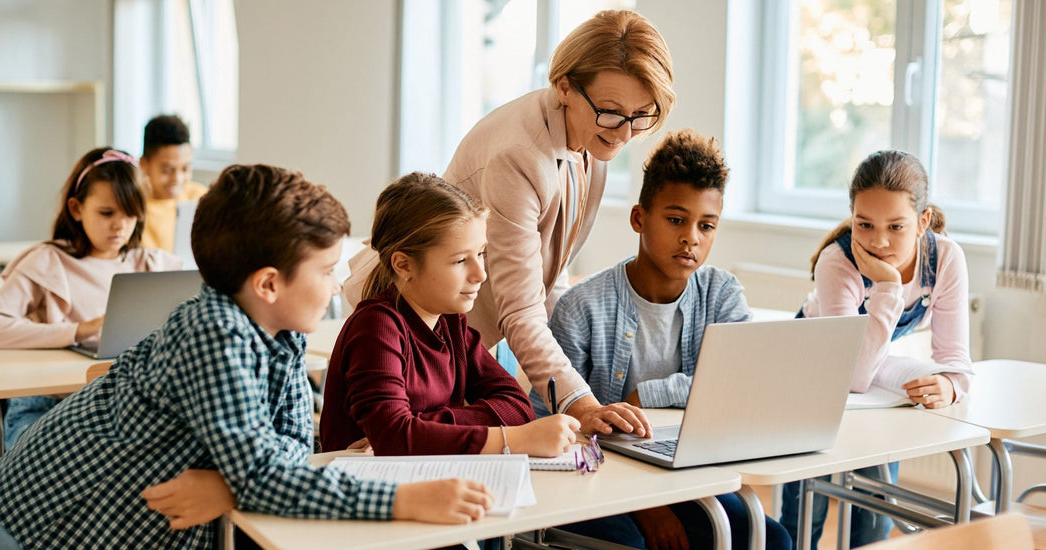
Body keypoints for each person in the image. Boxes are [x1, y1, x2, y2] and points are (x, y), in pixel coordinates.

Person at [0, 165, 495, 550]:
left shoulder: (282, 332)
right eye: (325, 269)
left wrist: (234, 486)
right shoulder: (215, 333)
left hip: (129, 520)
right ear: (268, 283)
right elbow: (268, 475)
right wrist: (407, 500)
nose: (338, 284)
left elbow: (289, 452)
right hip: (47, 522)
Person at [344, 10, 675, 438]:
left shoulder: (594, 139)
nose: (625, 132)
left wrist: (581, 389)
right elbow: (521, 307)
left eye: (641, 115)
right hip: (409, 327)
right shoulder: (520, 154)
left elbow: (548, 281)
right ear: (565, 87)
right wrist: (580, 401)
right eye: (612, 112)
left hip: (459, 335)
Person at [547, 129, 793, 550]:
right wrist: (648, 506)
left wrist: (649, 394)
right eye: (676, 219)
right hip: (599, 483)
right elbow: (554, 433)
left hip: (690, 478)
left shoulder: (722, 294)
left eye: (706, 225)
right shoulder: (580, 309)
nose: (691, 238)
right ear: (640, 218)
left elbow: (741, 385)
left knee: (772, 538)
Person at [779, 150, 972, 549]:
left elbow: (956, 358)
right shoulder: (837, 263)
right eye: (864, 224)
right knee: (805, 516)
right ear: (851, 214)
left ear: (922, 221)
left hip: (868, 368)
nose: (879, 241)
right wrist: (886, 286)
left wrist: (951, 386)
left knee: (873, 518)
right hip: (813, 367)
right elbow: (851, 375)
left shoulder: (946, 259)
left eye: (896, 226)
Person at [320, 172, 580, 457]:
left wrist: (420, 430)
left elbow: (517, 406)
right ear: (403, 265)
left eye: (481, 253)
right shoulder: (377, 327)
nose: (480, 274)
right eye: (460, 260)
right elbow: (394, 437)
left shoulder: (450, 322)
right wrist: (512, 439)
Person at [0, 146, 182, 448]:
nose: (120, 225)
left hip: (122, 406)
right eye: (107, 213)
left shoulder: (154, 264)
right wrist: (79, 330)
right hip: (48, 406)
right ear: (77, 208)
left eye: (131, 213)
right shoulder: (46, 261)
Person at [139, 114, 209, 252]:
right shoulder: (133, 208)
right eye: (167, 170)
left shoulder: (200, 198)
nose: (177, 179)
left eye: (185, 168)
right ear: (144, 165)